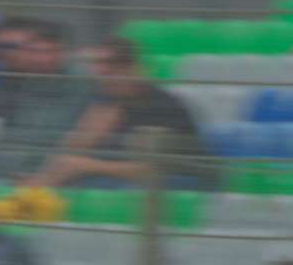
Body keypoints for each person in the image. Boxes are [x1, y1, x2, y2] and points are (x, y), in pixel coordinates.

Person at [26, 36, 212, 190]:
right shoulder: (106, 100)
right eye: (100, 74)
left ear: (131, 69)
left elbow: (151, 170)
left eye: (110, 72)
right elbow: (73, 149)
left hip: (181, 181)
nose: (102, 81)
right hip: (121, 177)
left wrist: (84, 166)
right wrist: (43, 176)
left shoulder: (163, 106)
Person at [0, 18, 91, 180]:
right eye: (34, 52)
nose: (42, 60)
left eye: (50, 52)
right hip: (9, 173)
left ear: (66, 53)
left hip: (52, 177)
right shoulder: (26, 81)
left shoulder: (84, 84)